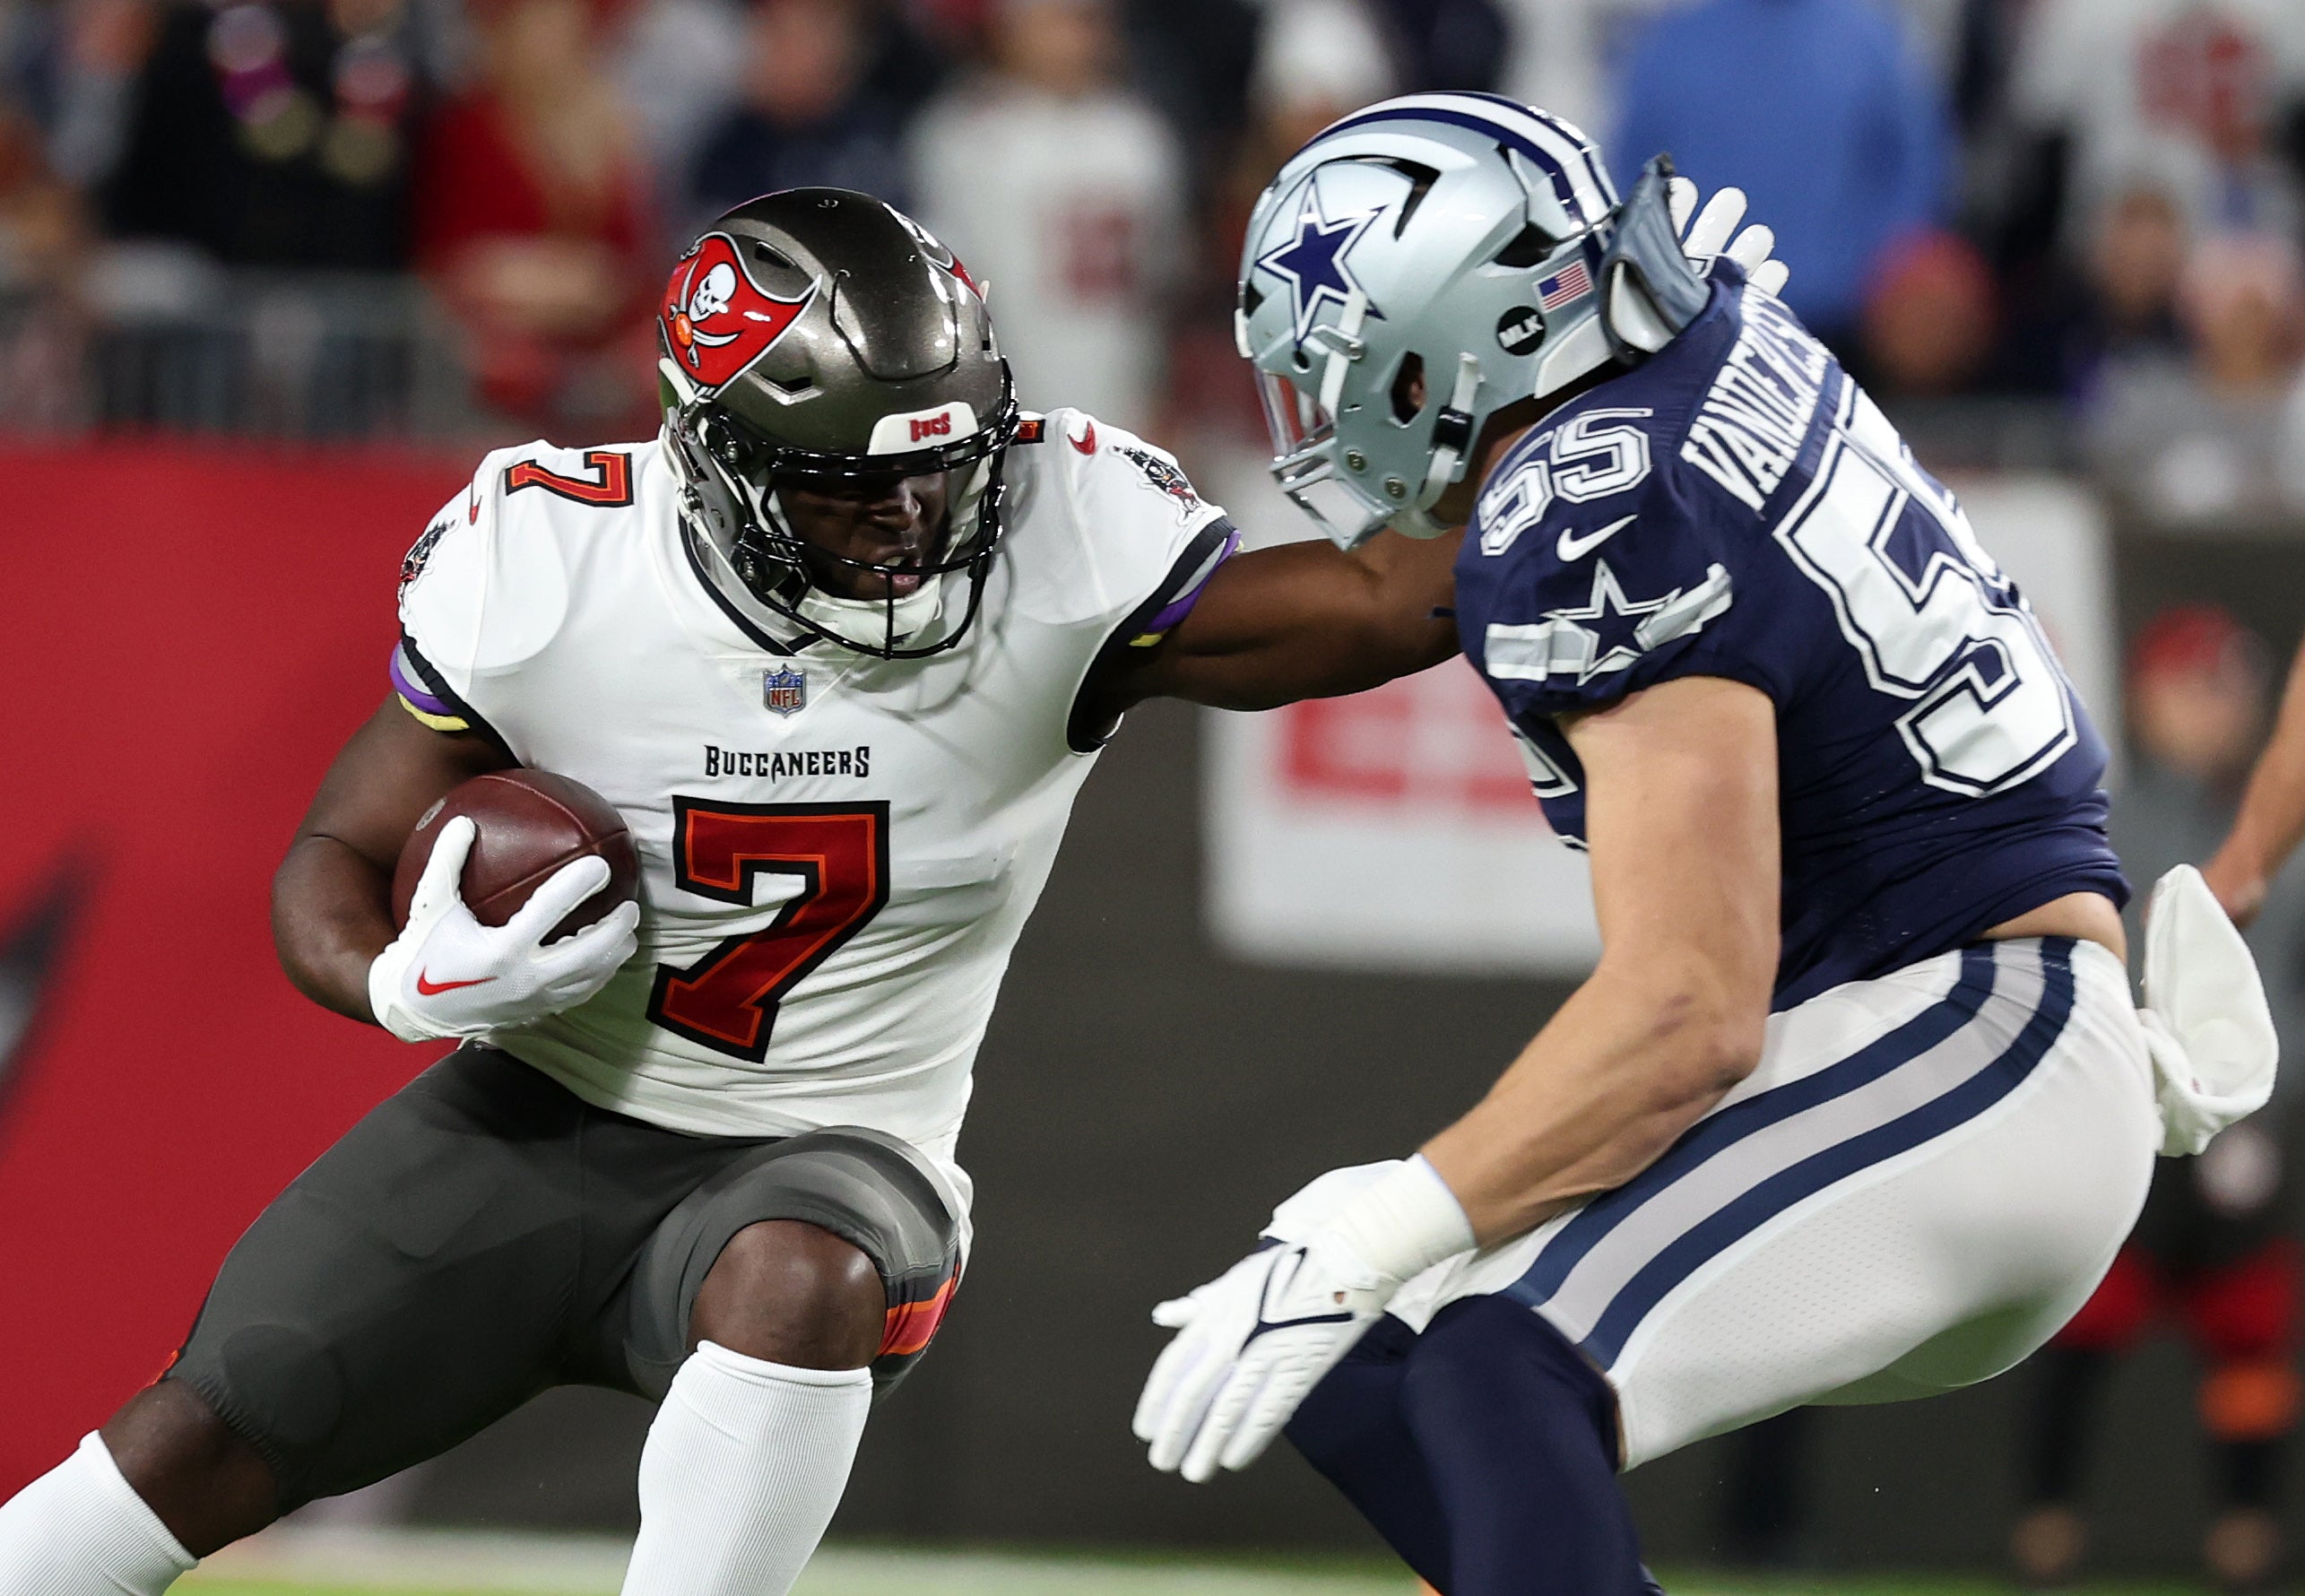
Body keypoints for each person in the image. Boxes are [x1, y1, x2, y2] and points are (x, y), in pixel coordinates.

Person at [0, 183, 1763, 1596]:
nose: (916, 527)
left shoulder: (1063, 544)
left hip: (836, 1150)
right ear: (721, 462)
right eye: (858, 493)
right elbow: (333, 854)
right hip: (535, 1118)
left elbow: (1387, 601)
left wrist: (1645, 399)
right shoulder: (549, 560)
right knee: (181, 1451)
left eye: (944, 467)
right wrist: (395, 979)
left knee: (791, 1273)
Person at [1132, 92, 2273, 1595]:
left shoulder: (1593, 494)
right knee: (1368, 1364)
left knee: (1492, 1363)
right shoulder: (1687, 345)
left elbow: (1687, 1012)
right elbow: (1425, 573)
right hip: (1931, 1031)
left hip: (1970, 1039)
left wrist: (1399, 1209)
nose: (1330, 417)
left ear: (1457, 337)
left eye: (1347, 368)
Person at [2013, 606, 2305, 1593]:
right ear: (2146, 694)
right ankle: (2045, 1531)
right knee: (2083, 1323)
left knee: (2249, 1328)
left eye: (2232, 684)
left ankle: (2246, 1536)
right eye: (2197, 683)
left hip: (2249, 1124)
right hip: (2122, 1108)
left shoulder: (2275, 817)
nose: (2219, 705)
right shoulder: (2099, 812)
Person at [905, 0, 1183, 430]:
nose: (1075, 40)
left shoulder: (1139, 133)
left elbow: (1166, 285)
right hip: (1008, 396)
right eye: (1058, 22)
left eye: (1087, 22)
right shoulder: (965, 136)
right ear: (1009, 32)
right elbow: (942, 295)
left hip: (1125, 389)